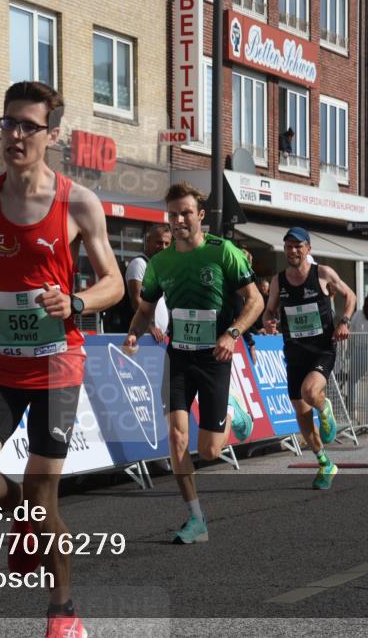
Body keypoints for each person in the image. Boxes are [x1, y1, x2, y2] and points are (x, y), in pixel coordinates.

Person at [0, 81, 123, 638]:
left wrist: (74, 301)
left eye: (28, 126)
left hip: (56, 365)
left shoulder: (78, 202)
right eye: (8, 124)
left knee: (45, 496)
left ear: (52, 135)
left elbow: (115, 284)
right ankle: (20, 511)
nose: (16, 135)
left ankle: (64, 612)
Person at [122, 182, 262, 543]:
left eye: (185, 212)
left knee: (211, 450)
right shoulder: (160, 263)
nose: (179, 219)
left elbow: (255, 301)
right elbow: (145, 309)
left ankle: (234, 412)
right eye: (173, 215)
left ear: (200, 215)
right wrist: (135, 333)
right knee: (176, 437)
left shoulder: (222, 252)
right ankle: (196, 518)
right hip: (179, 357)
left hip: (215, 357)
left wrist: (231, 333)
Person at [262, 227, 355, 490]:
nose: (292, 250)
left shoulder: (322, 273)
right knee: (302, 415)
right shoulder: (278, 281)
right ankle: (325, 463)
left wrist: (344, 321)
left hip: (322, 348)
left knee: (310, 392)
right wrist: (269, 322)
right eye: (288, 246)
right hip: (294, 352)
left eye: (298, 246)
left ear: (308, 249)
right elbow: (269, 311)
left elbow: (351, 296)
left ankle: (325, 409)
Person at [124, 223, 172, 343]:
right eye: (159, 242)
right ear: (148, 240)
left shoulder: (159, 268)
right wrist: (149, 327)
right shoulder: (139, 264)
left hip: (158, 338)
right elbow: (136, 301)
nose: (163, 247)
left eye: (167, 244)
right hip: (142, 337)